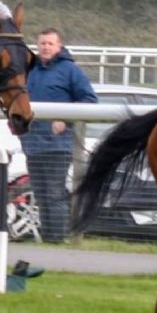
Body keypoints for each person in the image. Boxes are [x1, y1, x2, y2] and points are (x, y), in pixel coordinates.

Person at [21, 27, 98, 243]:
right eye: (42, 43)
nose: (45, 47)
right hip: (32, 142)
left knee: (55, 193)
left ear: (59, 46)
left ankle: (58, 239)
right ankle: (47, 237)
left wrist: (65, 119)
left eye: (50, 44)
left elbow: (89, 101)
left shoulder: (70, 70)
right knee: (41, 193)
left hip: (58, 145)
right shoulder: (30, 70)